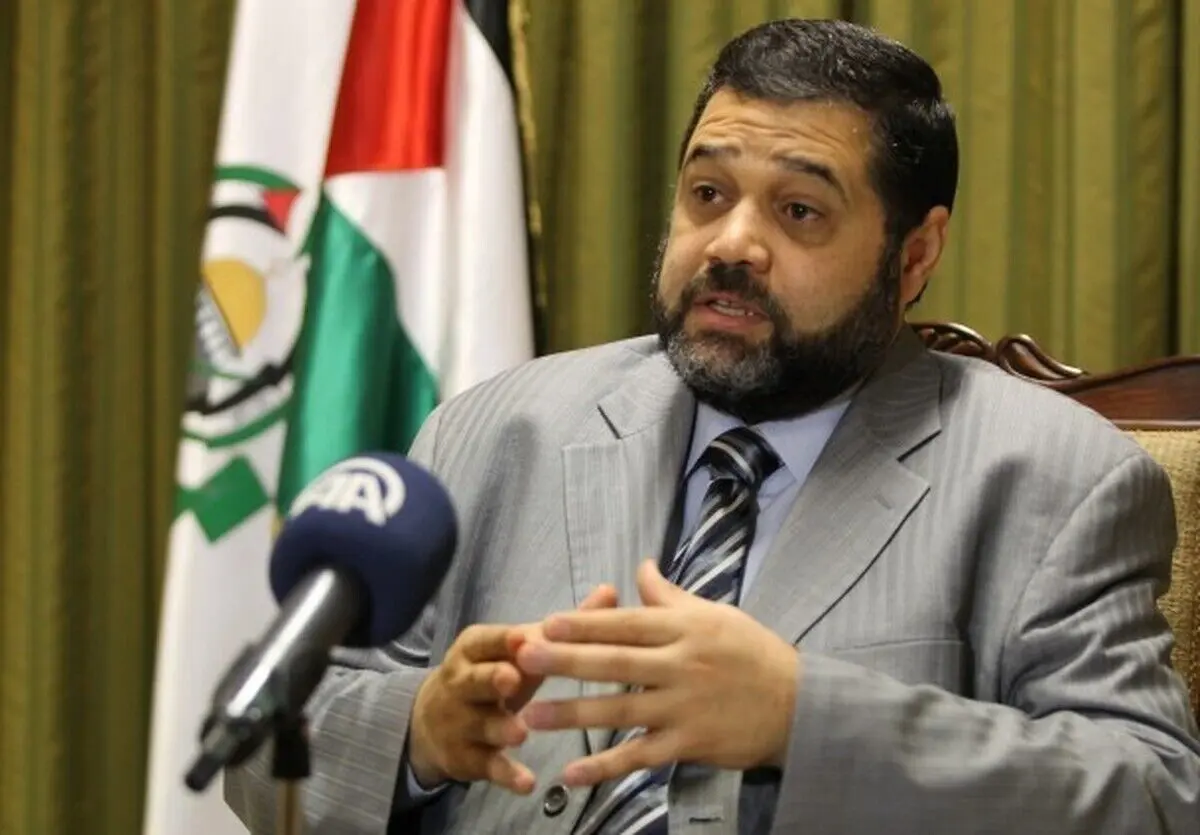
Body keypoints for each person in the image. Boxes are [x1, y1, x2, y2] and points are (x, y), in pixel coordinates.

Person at [225, 17, 1200, 835]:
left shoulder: (1049, 476)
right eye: (708, 194)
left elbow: (1155, 795)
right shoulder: (496, 431)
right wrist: (420, 732)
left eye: (800, 211)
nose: (733, 243)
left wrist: (804, 719)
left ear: (914, 256)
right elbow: (263, 743)